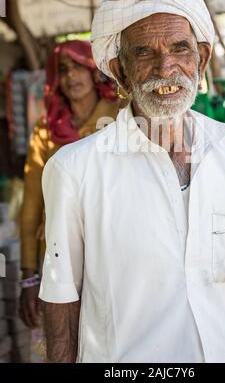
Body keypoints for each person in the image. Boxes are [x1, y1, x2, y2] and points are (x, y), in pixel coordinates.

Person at [39, 0, 225, 363]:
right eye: (144, 53)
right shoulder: (74, 170)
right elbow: (62, 303)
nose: (166, 67)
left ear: (200, 59)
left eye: (179, 48)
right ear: (120, 72)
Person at [19, 40, 126, 331]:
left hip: (114, 250)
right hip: (58, 254)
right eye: (63, 70)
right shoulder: (46, 130)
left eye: (79, 67)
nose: (71, 77)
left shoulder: (120, 114)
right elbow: (31, 207)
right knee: (63, 338)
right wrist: (29, 278)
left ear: (94, 72)